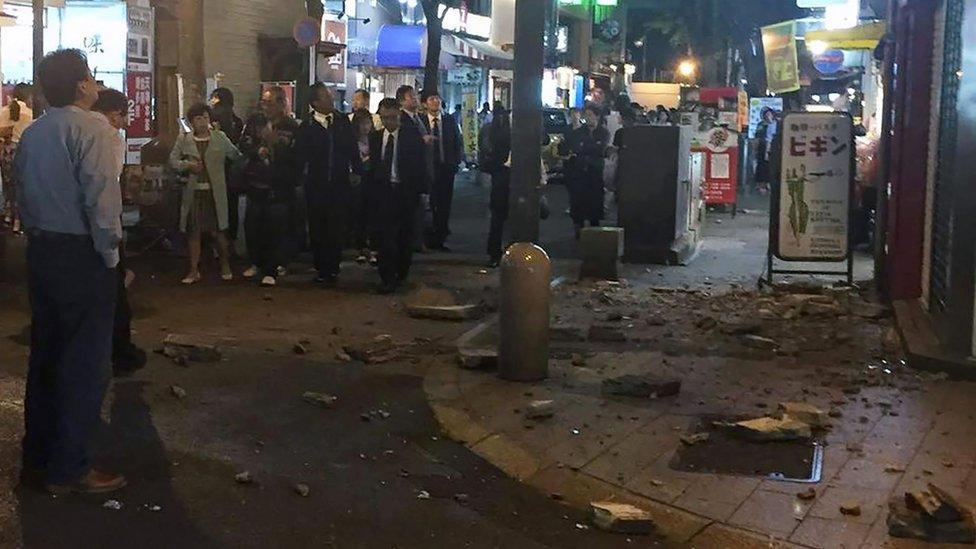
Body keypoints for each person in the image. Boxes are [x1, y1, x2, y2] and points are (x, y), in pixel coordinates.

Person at [14, 49, 126, 493]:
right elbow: (103, 202)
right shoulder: (94, 129)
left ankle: (38, 457)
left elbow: (21, 191)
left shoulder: (35, 133)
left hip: (42, 251)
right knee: (84, 362)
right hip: (81, 255)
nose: (96, 84)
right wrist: (111, 257)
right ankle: (71, 467)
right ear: (81, 85)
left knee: (47, 356)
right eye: (92, 78)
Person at [91, 88, 148, 377]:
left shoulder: (53, 130)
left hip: (63, 229)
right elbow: (107, 183)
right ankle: (120, 352)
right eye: (123, 115)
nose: (125, 122)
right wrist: (113, 236)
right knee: (115, 291)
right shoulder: (108, 136)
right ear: (114, 114)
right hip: (101, 222)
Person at [170, 103, 243, 284]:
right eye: (198, 118)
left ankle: (225, 264)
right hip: (193, 193)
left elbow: (236, 155)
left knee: (218, 232)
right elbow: (172, 160)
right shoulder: (184, 139)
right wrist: (187, 165)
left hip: (215, 193)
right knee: (193, 232)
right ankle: (194, 270)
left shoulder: (220, 137)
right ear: (191, 121)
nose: (202, 122)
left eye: (205, 118)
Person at [296, 83, 360, 285]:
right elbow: (301, 156)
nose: (331, 99)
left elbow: (352, 149)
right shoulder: (307, 127)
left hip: (339, 183)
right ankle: (322, 267)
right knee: (318, 227)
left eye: (330, 95)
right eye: (325, 96)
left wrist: (357, 170)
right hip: (316, 185)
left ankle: (333, 266)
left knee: (336, 225)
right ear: (315, 102)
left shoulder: (342, 122)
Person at [239, 86, 301, 287]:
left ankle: (272, 269)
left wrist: (276, 147)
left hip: (280, 185)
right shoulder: (254, 122)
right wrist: (259, 151)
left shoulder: (292, 127)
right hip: (256, 182)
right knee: (252, 226)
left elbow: (296, 157)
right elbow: (243, 144)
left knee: (275, 229)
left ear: (282, 103)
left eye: (270, 103)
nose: (266, 107)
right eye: (264, 102)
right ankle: (256, 262)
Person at [368, 98, 425, 294]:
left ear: (398, 115)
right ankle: (386, 277)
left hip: (405, 191)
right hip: (383, 192)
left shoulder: (411, 136)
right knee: (385, 236)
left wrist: (421, 192)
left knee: (404, 236)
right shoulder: (375, 138)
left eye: (391, 117)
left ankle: (401, 273)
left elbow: (420, 166)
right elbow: (373, 166)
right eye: (384, 118)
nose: (388, 122)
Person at [420, 89, 463, 251]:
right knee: (428, 203)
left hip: (446, 167)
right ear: (424, 103)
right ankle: (427, 237)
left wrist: (457, 162)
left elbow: (457, 142)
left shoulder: (449, 120)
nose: (435, 102)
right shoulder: (421, 121)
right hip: (427, 169)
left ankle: (440, 238)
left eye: (437, 98)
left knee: (444, 203)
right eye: (431, 99)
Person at [560, 103, 610, 238]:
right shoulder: (578, 133)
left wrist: (585, 152)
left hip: (595, 174)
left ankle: (595, 235)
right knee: (578, 205)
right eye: (585, 115)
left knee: (595, 206)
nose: (587, 118)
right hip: (579, 174)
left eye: (590, 115)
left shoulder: (603, 132)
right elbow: (573, 148)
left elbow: (600, 150)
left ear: (597, 116)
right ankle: (578, 232)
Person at [396, 85, 434, 252]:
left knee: (419, 209)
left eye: (415, 95)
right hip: (409, 174)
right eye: (411, 96)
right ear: (402, 101)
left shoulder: (418, 118)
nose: (415, 99)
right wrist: (422, 141)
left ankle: (416, 241)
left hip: (421, 170)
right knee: (410, 210)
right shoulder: (402, 119)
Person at [209, 88, 245, 244]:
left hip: (224, 173)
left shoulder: (230, 122)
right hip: (222, 174)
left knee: (224, 209)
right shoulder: (234, 121)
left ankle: (224, 244)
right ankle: (223, 244)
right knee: (223, 209)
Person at [1, 83, 34, 234]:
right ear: (28, 96)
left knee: (8, 187)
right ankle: (18, 222)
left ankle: (8, 216)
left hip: (6, 152)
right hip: (21, 153)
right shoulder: (29, 113)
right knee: (21, 187)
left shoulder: (4, 111)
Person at [484, 104, 512, 267]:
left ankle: (496, 253)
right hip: (503, 175)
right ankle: (497, 252)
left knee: (499, 217)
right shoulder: (500, 129)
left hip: (501, 176)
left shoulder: (493, 129)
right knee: (500, 216)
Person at [351, 108, 377, 264]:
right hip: (359, 180)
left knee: (372, 214)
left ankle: (373, 248)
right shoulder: (352, 141)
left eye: (368, 123)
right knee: (359, 214)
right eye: (362, 124)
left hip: (372, 180)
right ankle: (360, 248)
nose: (365, 127)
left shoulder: (375, 139)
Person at [754, 107, 779, 194]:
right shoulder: (761, 125)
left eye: (769, 114)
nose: (768, 116)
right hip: (762, 148)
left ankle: (770, 185)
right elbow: (757, 137)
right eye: (766, 115)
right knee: (762, 166)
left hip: (774, 148)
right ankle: (761, 185)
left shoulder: (777, 124)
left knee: (772, 166)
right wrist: (756, 148)